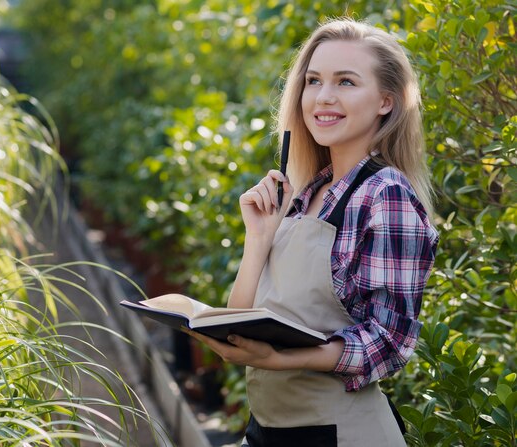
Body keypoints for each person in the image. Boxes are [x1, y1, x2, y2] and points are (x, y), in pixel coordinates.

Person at [183, 17, 439, 447]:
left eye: (346, 82)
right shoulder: (309, 192)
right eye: (314, 80)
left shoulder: (386, 194)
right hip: (270, 430)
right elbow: (239, 320)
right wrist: (259, 239)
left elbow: (389, 343)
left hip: (340, 434)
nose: (323, 97)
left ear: (386, 102)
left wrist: (279, 359)